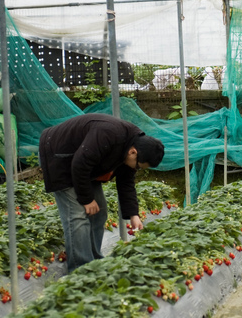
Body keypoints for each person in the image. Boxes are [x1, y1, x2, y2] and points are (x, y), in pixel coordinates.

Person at [39, 113, 165, 272]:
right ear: (133, 152)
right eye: (139, 166)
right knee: (77, 215)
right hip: (58, 156)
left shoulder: (132, 144)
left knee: (99, 211)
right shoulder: (109, 134)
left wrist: (133, 214)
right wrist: (86, 199)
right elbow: (79, 164)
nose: (136, 169)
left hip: (81, 165)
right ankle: (81, 270)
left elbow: (126, 183)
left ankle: (94, 262)